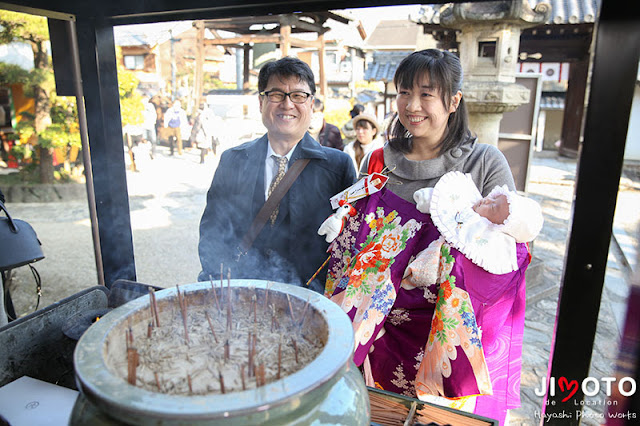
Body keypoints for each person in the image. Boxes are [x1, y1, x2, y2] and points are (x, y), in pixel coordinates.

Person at [324, 49, 523, 425]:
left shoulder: (483, 163)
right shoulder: (378, 160)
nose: (412, 105)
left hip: (444, 337)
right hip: (374, 333)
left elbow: (507, 254)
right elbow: (355, 237)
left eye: (427, 94)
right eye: (404, 92)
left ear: (453, 101)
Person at [198, 57, 356, 294]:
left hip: (309, 300)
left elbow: (349, 243)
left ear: (311, 104)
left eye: (298, 96)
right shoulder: (233, 161)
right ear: (261, 102)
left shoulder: (337, 166)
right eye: (276, 94)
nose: (287, 104)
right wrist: (219, 281)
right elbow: (212, 230)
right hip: (242, 294)